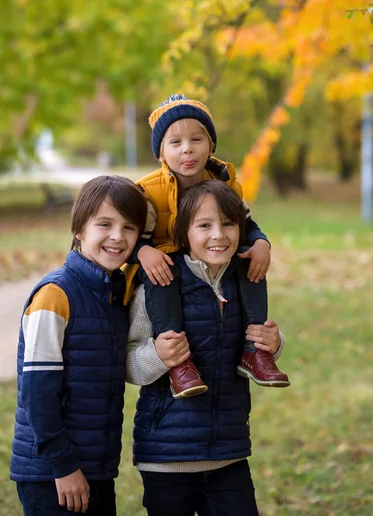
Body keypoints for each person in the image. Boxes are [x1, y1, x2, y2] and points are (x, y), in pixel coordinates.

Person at [126, 180, 287, 516]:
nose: (219, 235)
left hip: (228, 452)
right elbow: (127, 363)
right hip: (166, 455)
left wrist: (275, 342)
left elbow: (252, 337)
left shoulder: (243, 281)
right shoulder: (159, 284)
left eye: (228, 223)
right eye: (204, 225)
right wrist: (159, 356)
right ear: (184, 233)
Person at [130, 93, 289, 399]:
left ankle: (254, 351)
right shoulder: (148, 193)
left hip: (212, 262)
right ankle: (179, 362)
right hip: (160, 264)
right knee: (162, 272)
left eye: (196, 139)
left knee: (249, 262)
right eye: (175, 142)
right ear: (161, 152)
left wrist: (261, 243)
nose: (187, 149)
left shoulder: (224, 181)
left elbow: (246, 224)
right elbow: (129, 235)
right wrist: (142, 251)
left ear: (211, 144)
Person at [10, 175, 147, 516]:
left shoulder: (112, 293)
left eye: (129, 227)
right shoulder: (55, 295)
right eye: (104, 224)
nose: (118, 236)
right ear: (79, 230)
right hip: (52, 474)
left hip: (97, 467)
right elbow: (37, 392)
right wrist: (63, 466)